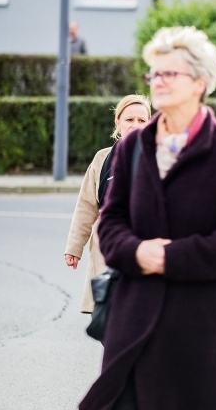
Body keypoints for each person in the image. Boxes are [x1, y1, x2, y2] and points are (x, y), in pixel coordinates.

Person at [79, 26, 216, 410]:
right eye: (154, 74)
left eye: (170, 73)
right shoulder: (132, 150)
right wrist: (136, 251)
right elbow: (111, 224)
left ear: (199, 83)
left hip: (210, 323)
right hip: (139, 317)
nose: (158, 81)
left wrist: (166, 255)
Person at [64, 94, 151, 313]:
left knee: (138, 314)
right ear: (118, 122)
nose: (135, 125)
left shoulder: (159, 157)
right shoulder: (103, 159)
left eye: (142, 120)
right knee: (108, 316)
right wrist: (74, 247)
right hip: (107, 248)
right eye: (129, 119)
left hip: (145, 245)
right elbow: (86, 206)